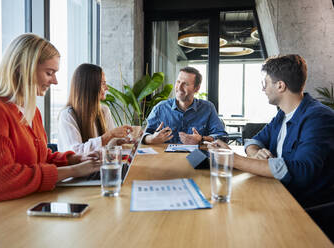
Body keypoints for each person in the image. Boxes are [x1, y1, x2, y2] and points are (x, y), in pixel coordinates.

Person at [0, 34, 101, 209]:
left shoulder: (31, 111)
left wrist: (75, 159)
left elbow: (39, 159)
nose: (55, 81)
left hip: (21, 205)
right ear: (22, 68)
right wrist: (73, 171)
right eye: (49, 73)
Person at [211, 54, 334, 207]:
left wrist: (233, 159)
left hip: (303, 208)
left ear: (280, 86)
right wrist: (256, 153)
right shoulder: (282, 115)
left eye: (266, 83)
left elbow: (302, 172)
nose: (263, 88)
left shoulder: (318, 118)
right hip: (278, 192)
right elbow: (253, 141)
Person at [57, 63, 133, 154]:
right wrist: (109, 135)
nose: (107, 88)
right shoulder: (67, 115)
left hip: (99, 166)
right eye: (103, 83)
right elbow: (75, 152)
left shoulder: (104, 110)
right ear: (90, 86)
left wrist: (120, 141)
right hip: (81, 168)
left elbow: (107, 145)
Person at [143, 66, 227, 145]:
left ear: (196, 88)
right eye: (178, 82)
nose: (179, 87)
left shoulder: (208, 108)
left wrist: (201, 139)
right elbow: (143, 135)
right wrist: (152, 139)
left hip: (197, 158)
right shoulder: (160, 108)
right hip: (166, 159)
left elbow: (222, 137)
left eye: (185, 84)